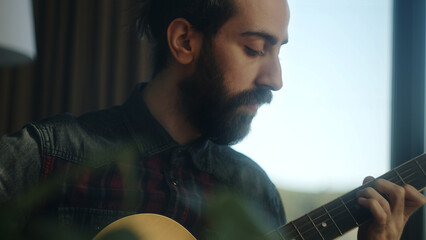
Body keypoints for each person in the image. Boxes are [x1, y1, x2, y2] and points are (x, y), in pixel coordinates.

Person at [0, 0, 425, 239]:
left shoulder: (255, 194)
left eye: (280, 51)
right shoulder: (46, 155)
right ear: (185, 41)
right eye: (257, 49)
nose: (276, 79)